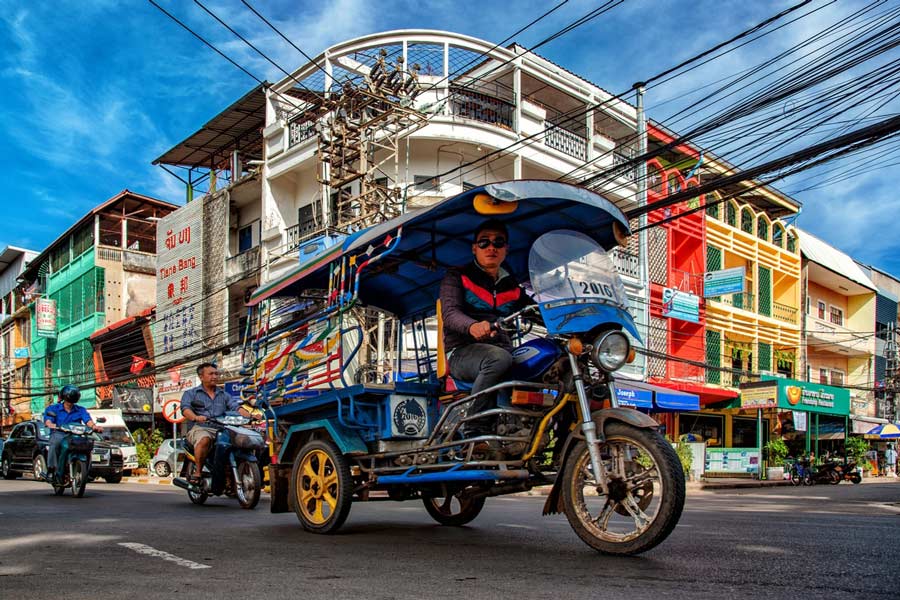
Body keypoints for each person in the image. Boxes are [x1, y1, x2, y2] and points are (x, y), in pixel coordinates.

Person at [439, 218, 534, 436]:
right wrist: (472, 326)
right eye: (484, 243)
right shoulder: (457, 276)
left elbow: (535, 310)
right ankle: (475, 427)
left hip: (503, 349)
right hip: (462, 353)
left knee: (545, 359)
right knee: (498, 358)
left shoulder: (512, 286)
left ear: (505, 249)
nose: (491, 247)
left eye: (498, 242)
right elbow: (450, 314)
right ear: (474, 248)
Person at [180, 363, 247, 484]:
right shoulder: (191, 393)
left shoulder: (224, 394)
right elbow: (185, 409)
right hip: (200, 427)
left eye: (216, 373)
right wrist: (195, 417)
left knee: (242, 441)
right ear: (201, 377)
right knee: (205, 439)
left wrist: (250, 415)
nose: (215, 376)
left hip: (222, 428)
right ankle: (198, 472)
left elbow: (236, 407)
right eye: (211, 374)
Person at [43, 384, 102, 481]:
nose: (70, 402)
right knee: (54, 444)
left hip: (75, 435)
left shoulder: (80, 409)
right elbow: (48, 419)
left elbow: (88, 421)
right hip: (59, 433)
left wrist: (94, 427)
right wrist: (50, 424)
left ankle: (87, 470)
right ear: (64, 397)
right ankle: (52, 469)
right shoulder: (54, 409)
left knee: (88, 445)